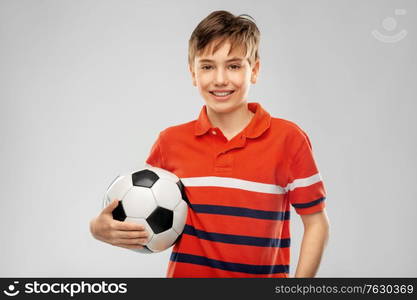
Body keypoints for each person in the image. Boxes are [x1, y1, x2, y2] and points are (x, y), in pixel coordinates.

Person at [90, 10, 330, 278]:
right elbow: (142, 213)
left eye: (234, 65)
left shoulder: (288, 139)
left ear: (255, 71)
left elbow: (316, 222)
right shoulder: (170, 142)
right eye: (207, 66)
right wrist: (100, 229)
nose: (220, 79)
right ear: (193, 73)